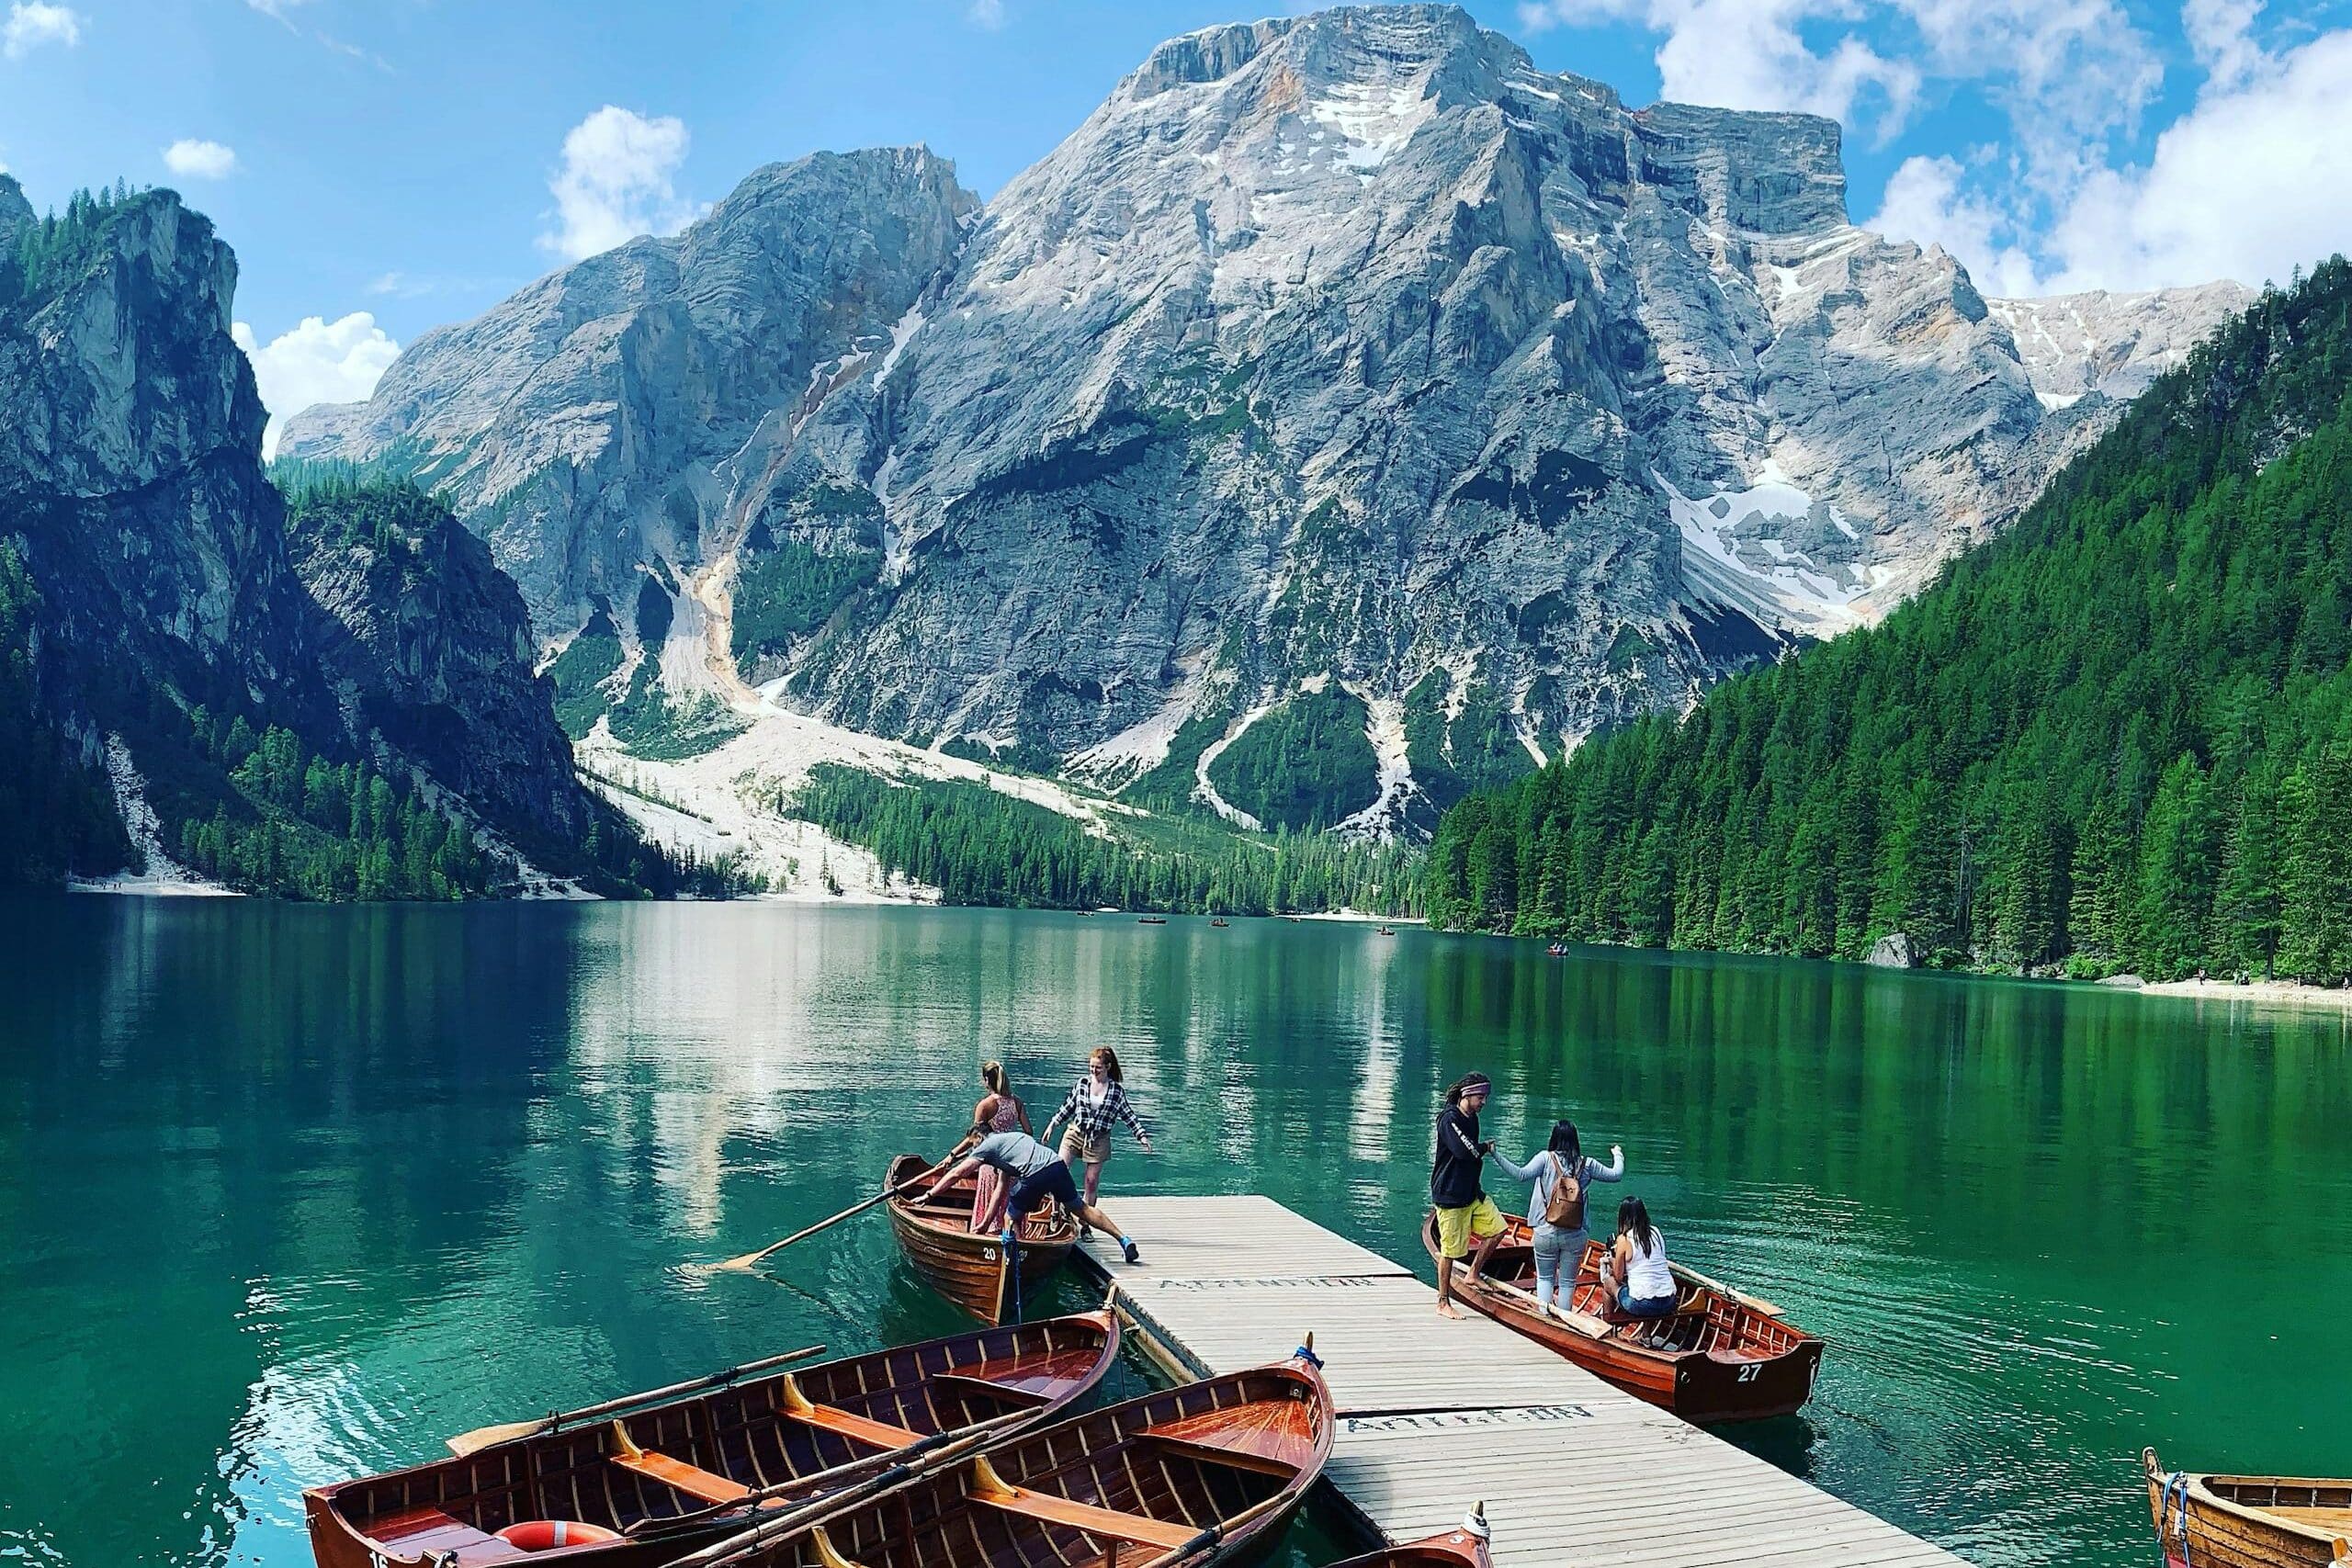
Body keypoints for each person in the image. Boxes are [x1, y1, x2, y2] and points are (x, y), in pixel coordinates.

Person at [920, 1126, 1143, 1265]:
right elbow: (1000, 1191)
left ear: (978, 1137)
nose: (971, 1150)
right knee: (1081, 1209)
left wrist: (930, 1194)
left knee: (1011, 1217)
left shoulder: (986, 1145)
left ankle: (1014, 1260)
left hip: (1035, 1174)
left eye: (971, 1145)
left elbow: (958, 1173)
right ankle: (1123, 1239)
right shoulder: (1012, 1139)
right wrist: (984, 1225)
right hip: (1056, 1165)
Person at [1497, 1120, 1623, 1314]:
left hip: (1545, 1230)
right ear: (1575, 1140)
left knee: (1545, 1278)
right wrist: (1617, 1154)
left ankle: (1545, 1316)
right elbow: (1616, 1174)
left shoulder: (1544, 1159)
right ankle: (1564, 1319)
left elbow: (1521, 1174)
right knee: (1567, 1281)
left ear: (1554, 1138)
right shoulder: (1587, 1164)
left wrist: (1495, 1153)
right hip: (1575, 1234)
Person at [1040, 1046, 1153, 1212]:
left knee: (1091, 1181)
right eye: (1091, 1066)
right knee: (1058, 1170)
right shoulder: (1082, 1084)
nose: (1094, 1070)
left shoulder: (1116, 1091)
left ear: (1107, 1067)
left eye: (1098, 1067)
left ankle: (1086, 1223)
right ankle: (1055, 1212)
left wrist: (1141, 1136)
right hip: (1075, 1133)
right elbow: (1068, 1106)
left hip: (1098, 1139)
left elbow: (1129, 1115)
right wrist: (1053, 1124)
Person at [1430, 1073, 1502, 1320]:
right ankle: (1442, 1301)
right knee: (1449, 1251)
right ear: (1467, 1095)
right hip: (1450, 1195)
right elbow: (1465, 1151)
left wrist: (1480, 1150)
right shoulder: (1449, 1119)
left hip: (1472, 1193)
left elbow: (1472, 1152)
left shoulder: (1472, 1119)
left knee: (1498, 1230)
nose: (1484, 1102)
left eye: (1485, 1098)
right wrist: (1484, 1148)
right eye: (1481, 1097)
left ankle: (1473, 1274)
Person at [967, 1060, 1033, 1235]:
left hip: (990, 1162)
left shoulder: (984, 1106)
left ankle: (987, 1233)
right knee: (1009, 1199)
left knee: (990, 1199)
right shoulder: (1016, 1102)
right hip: (1012, 1161)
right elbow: (1028, 1131)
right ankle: (1013, 1236)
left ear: (987, 1080)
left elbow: (976, 1138)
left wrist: (954, 1156)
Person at [1599, 1196, 1679, 1319]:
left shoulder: (1624, 1240)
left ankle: (1607, 1325)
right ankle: (1645, 1336)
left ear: (1623, 1217)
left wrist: (1611, 1261)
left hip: (1641, 1305)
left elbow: (1618, 1278)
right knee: (1648, 1291)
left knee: (1609, 1283)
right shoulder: (1656, 1232)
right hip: (1669, 1301)